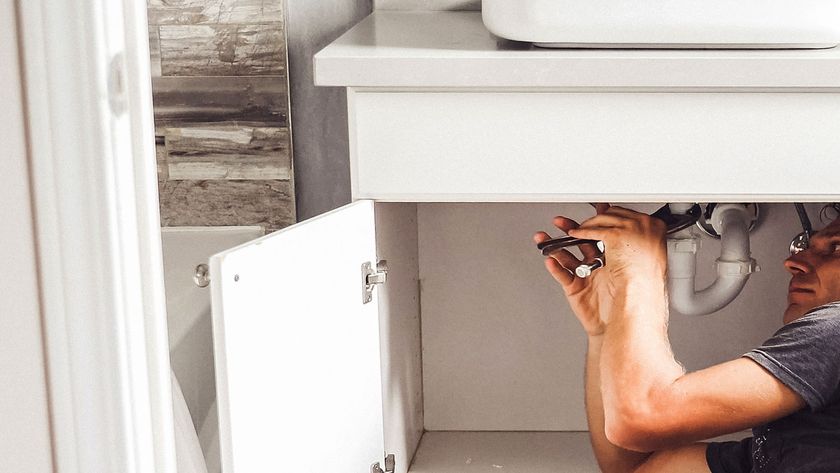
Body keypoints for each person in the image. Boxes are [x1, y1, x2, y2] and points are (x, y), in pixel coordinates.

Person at [533, 204, 840, 472]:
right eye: (807, 247)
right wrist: (608, 326)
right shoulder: (791, 450)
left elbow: (641, 420)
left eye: (836, 247)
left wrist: (642, 269)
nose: (793, 262)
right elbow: (636, 467)